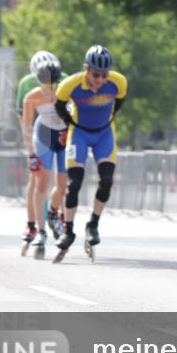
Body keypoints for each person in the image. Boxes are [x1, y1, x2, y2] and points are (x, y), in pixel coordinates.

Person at [53, 45, 127, 258]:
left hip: (104, 133)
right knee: (74, 183)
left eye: (104, 75)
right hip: (79, 134)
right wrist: (71, 123)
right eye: (95, 74)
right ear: (86, 69)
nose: (100, 80)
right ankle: (68, 231)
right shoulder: (69, 85)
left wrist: (103, 120)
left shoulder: (118, 82)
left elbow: (119, 103)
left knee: (107, 180)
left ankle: (93, 224)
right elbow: (60, 107)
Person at [19, 58, 69, 253]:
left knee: (64, 186)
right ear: (39, 83)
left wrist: (72, 133)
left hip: (63, 137)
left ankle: (53, 213)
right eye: (46, 85)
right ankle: (41, 231)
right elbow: (27, 126)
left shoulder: (67, 93)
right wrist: (31, 154)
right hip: (44, 136)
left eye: (54, 85)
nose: (51, 90)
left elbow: (78, 118)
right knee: (41, 182)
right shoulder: (32, 97)